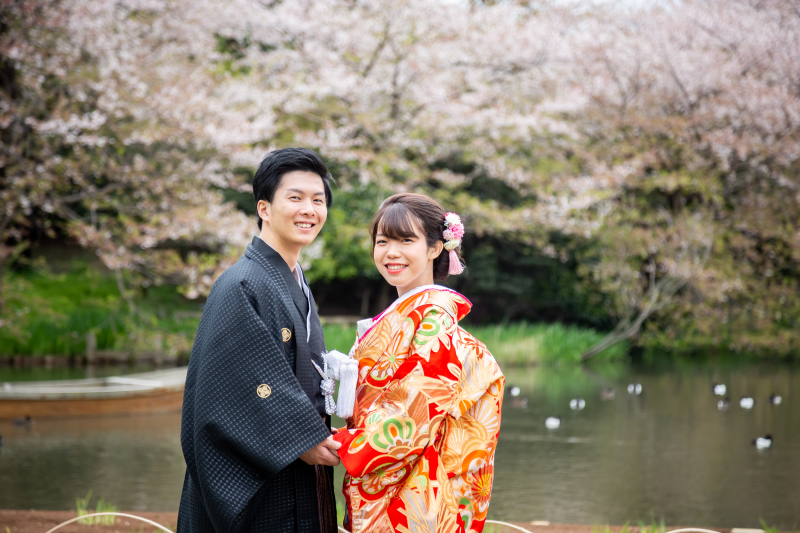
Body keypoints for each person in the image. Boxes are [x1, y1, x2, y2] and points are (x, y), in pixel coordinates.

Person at [178, 148, 341, 533]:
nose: (309, 210)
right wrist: (301, 437)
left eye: (318, 200)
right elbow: (231, 387)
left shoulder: (295, 281)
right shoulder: (242, 284)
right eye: (295, 197)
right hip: (268, 475)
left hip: (301, 462)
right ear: (264, 208)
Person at [331, 193, 505, 533]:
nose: (391, 252)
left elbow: (415, 411)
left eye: (406, 240)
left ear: (435, 248)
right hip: (392, 477)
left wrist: (343, 443)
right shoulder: (408, 314)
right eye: (382, 241)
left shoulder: (434, 318)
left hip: (415, 488)